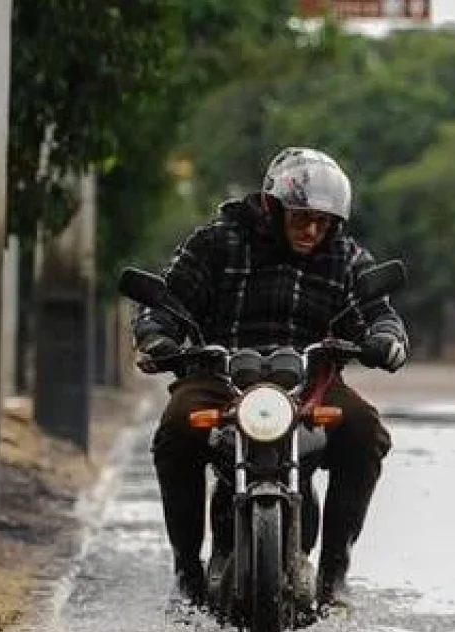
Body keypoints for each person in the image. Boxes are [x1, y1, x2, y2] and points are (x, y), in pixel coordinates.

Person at [134, 147, 410, 608]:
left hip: (309, 380)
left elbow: (379, 314)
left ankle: (335, 572)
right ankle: (186, 570)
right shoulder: (216, 244)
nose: (311, 230)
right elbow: (163, 304)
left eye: (323, 221)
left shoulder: (345, 259)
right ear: (273, 207)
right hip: (218, 374)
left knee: (365, 431)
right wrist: (157, 336)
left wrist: (385, 339)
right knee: (177, 428)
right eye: (302, 217)